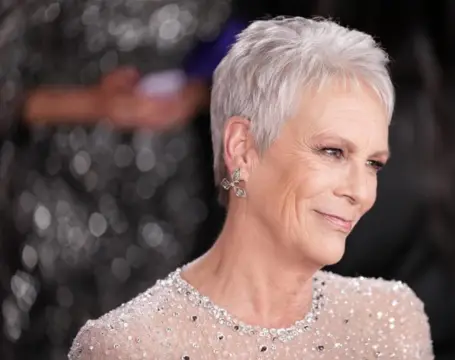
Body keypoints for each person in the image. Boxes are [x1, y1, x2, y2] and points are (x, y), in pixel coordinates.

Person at [68, 16, 433, 360]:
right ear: (242, 148)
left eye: (373, 164)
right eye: (333, 152)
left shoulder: (393, 321)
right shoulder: (126, 347)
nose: (362, 192)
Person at [0, 1, 231, 359]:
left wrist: (195, 96)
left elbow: (249, 55)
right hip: (54, 201)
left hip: (167, 197)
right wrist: (93, 104)